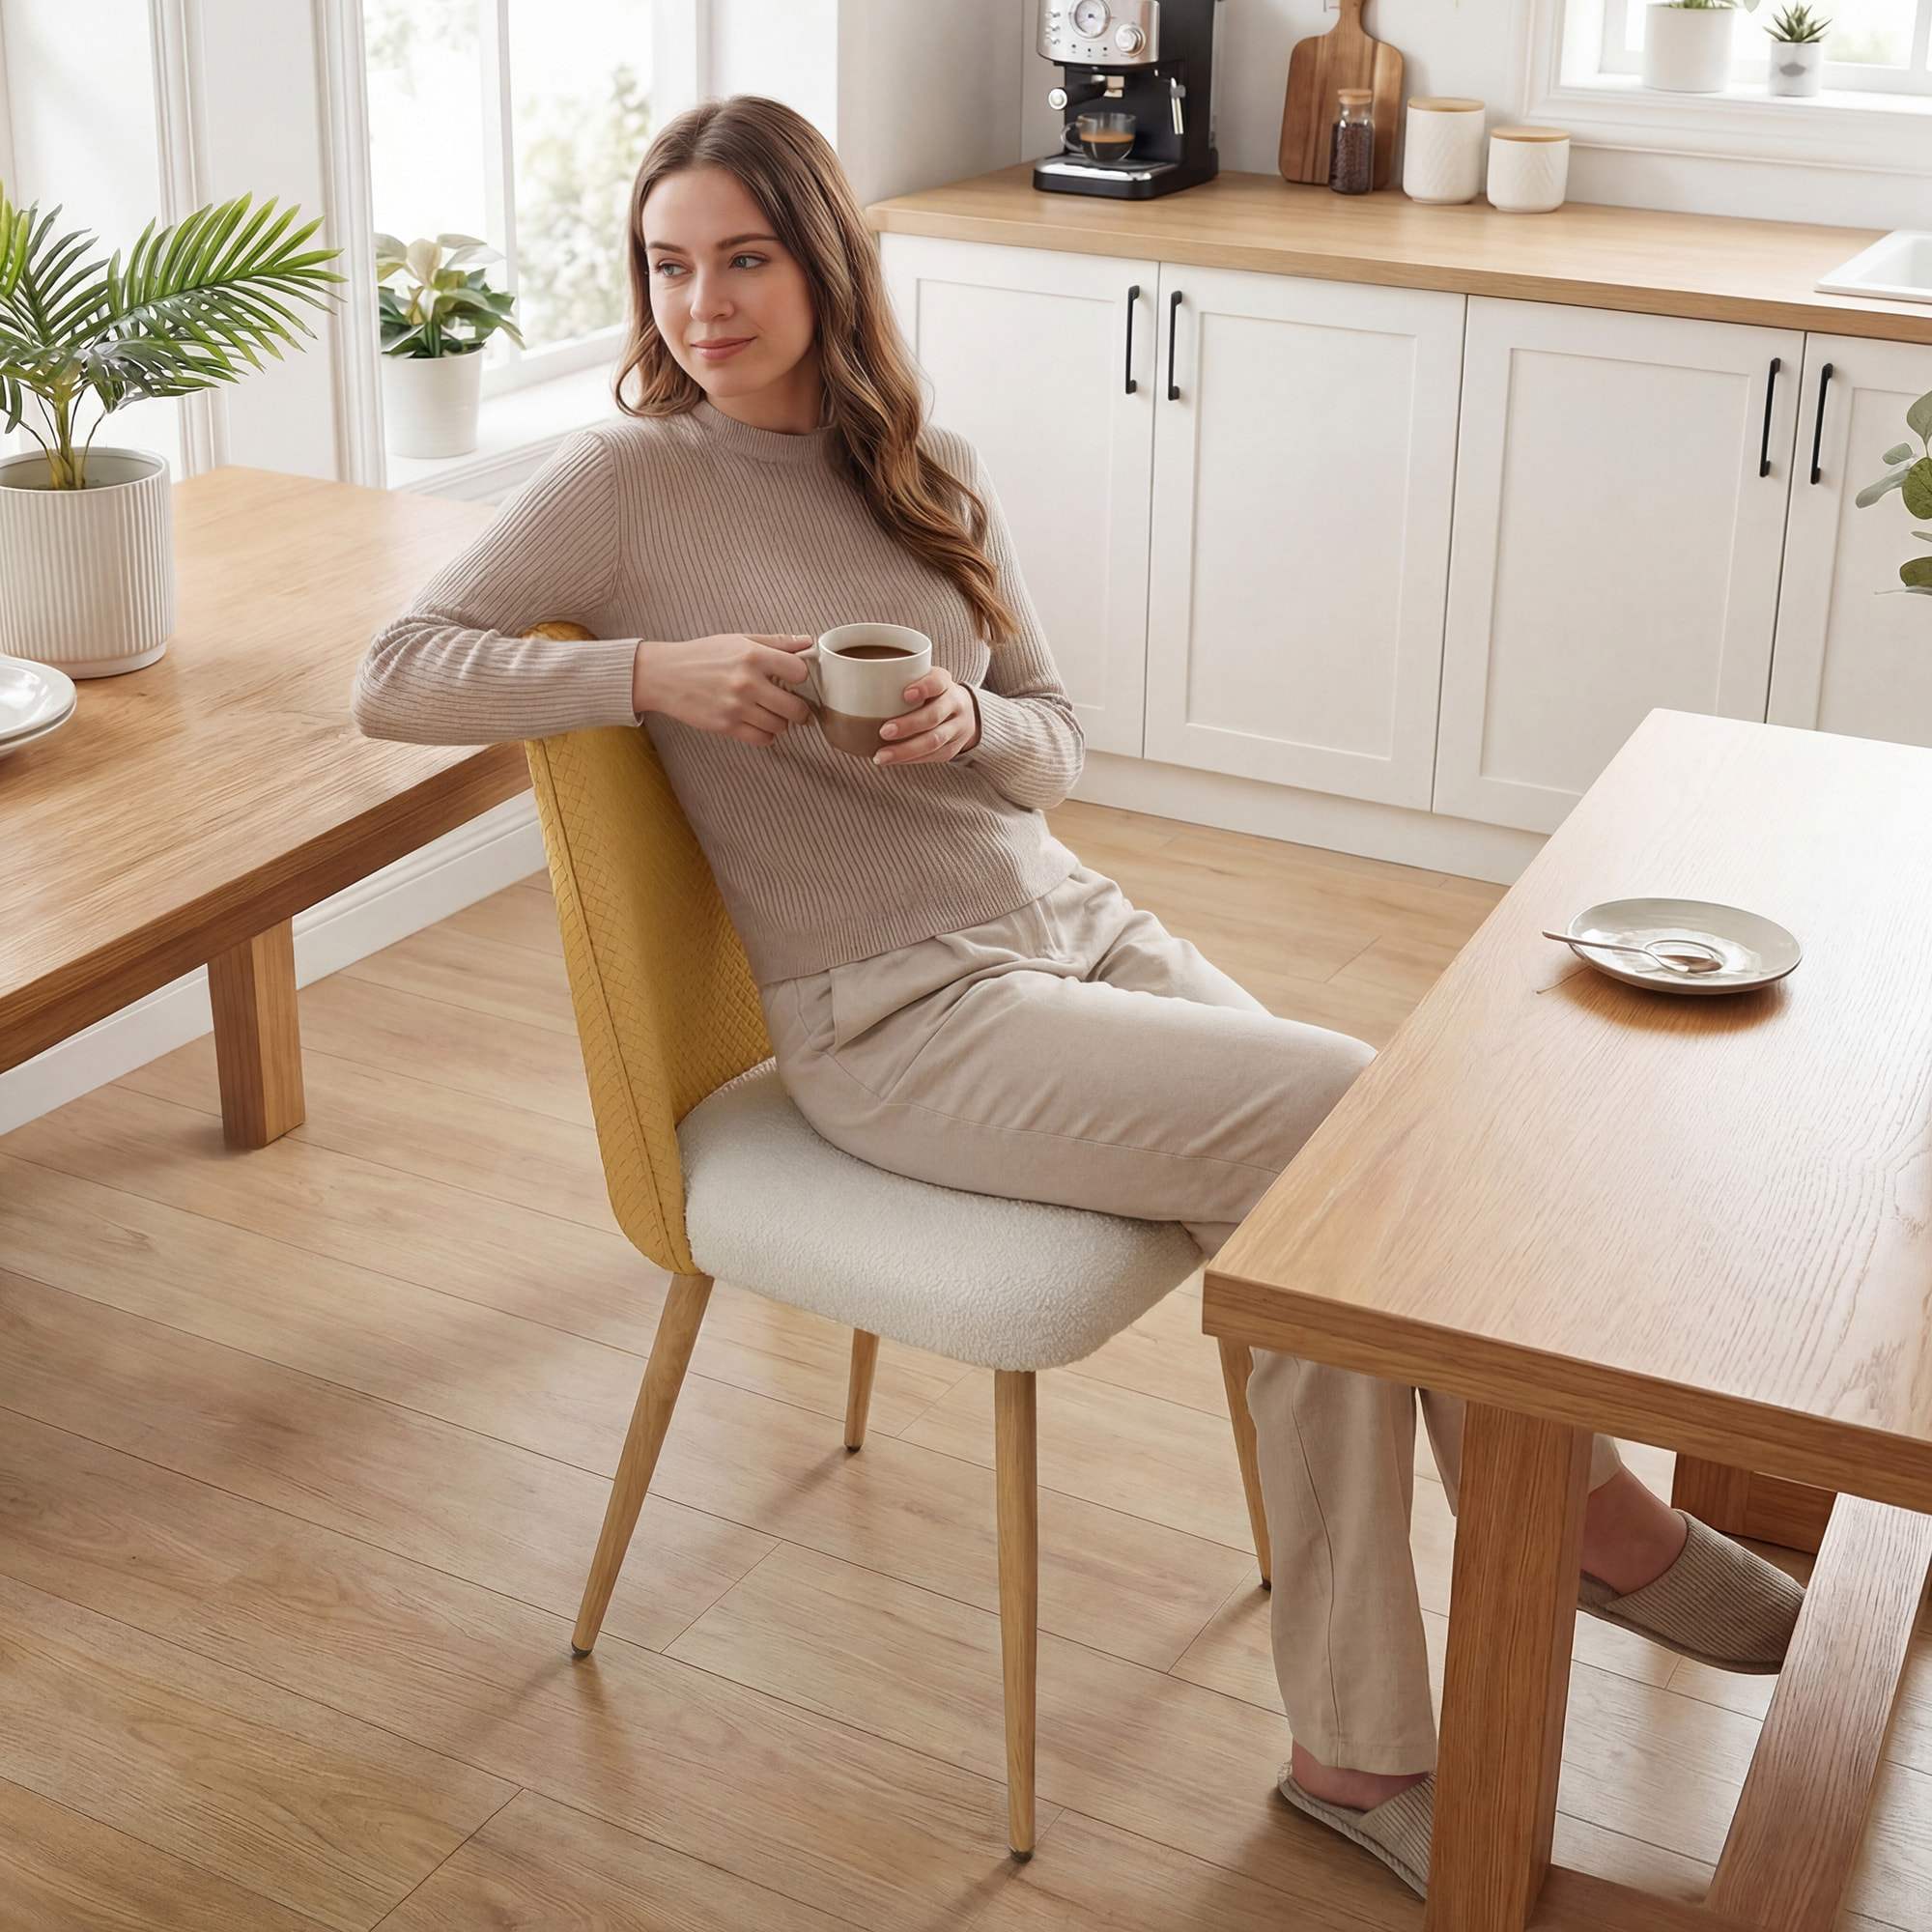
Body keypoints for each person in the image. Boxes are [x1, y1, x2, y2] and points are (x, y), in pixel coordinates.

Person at [353, 95, 1803, 1898]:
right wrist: (644, 673)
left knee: (1335, 1204)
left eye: (742, 259)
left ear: (822, 263)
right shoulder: (627, 481)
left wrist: (975, 727)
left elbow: (1057, 743)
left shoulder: (925, 464)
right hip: (894, 1017)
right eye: (665, 267)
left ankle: (1374, 1731)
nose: (700, 307)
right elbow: (395, 677)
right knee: (1353, 1121)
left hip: (1064, 923)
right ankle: (1586, 1523)